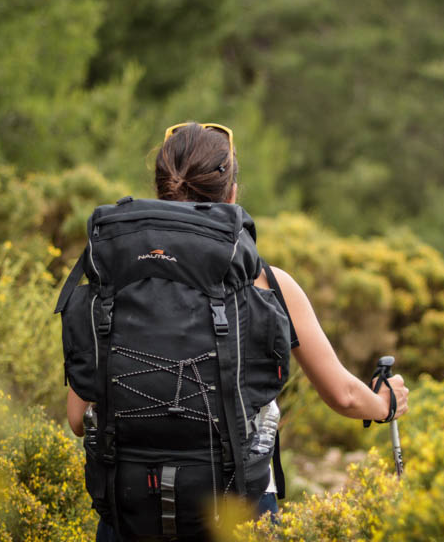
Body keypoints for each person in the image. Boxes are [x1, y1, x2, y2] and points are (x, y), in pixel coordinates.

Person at [65, 121, 409, 540]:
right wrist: (384, 403)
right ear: (231, 194)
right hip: (237, 509)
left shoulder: (112, 283)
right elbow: (345, 396)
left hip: (130, 507)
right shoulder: (270, 284)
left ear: (161, 193)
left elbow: (77, 419)